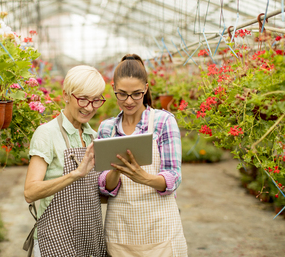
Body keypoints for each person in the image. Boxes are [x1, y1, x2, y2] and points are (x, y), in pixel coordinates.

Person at [97, 54, 187, 257]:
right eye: (122, 94)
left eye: (136, 94)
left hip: (160, 228)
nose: (129, 101)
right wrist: (115, 172)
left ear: (146, 88)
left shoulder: (163, 121)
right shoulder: (107, 128)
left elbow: (174, 176)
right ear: (113, 89)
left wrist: (143, 178)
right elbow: (104, 186)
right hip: (120, 231)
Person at [24, 65, 108, 257]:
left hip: (88, 240)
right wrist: (75, 174)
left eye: (96, 100)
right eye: (83, 99)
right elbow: (30, 192)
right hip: (55, 240)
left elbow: (95, 195)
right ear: (66, 96)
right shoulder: (47, 133)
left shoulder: (94, 137)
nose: (89, 107)